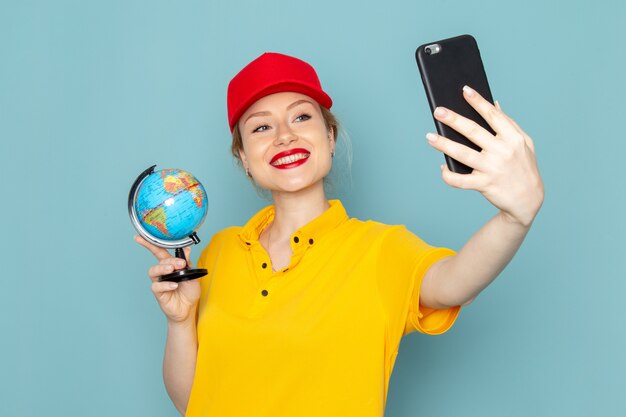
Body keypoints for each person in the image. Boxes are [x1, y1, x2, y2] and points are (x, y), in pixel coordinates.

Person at [135, 52, 544, 417]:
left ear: (329, 138)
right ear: (243, 157)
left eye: (301, 117)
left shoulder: (380, 249)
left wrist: (514, 218)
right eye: (261, 128)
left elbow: (455, 282)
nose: (284, 136)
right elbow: (192, 400)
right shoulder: (219, 251)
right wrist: (180, 321)